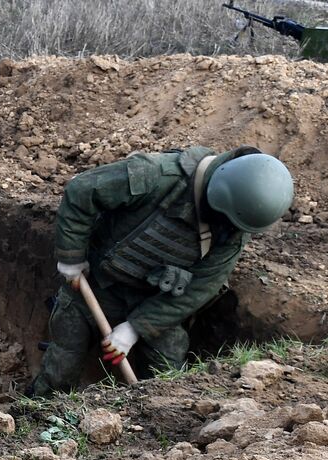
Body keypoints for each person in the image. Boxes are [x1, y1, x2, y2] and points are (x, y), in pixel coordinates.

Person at [29, 147, 294, 395]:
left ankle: (157, 423)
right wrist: (71, 257)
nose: (233, 230)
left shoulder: (234, 227)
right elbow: (82, 191)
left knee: (169, 377)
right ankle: (39, 411)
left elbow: (200, 288)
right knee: (63, 359)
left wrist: (135, 328)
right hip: (97, 284)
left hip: (155, 299)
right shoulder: (157, 175)